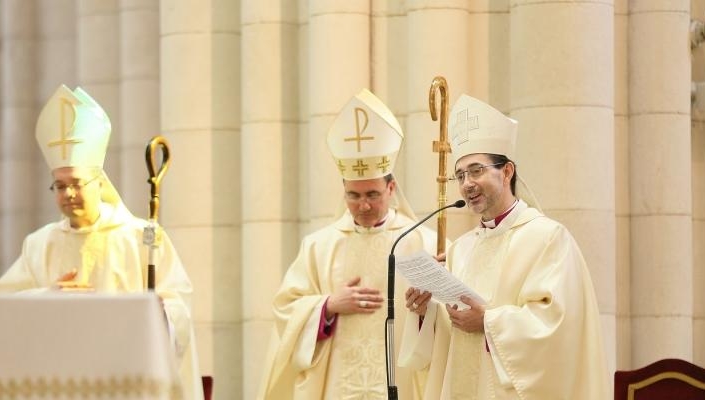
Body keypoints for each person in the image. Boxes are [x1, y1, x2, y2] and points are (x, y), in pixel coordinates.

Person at [0, 85, 202, 400]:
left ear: (99, 182)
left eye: (76, 183)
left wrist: (160, 313)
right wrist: (47, 297)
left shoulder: (140, 238)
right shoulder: (39, 245)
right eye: (59, 186)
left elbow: (178, 304)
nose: (68, 195)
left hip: (126, 382)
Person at [400, 94, 610, 399]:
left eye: (476, 170)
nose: (467, 184)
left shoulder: (548, 238)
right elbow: (447, 341)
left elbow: (557, 327)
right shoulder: (461, 248)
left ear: (507, 171)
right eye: (460, 176)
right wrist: (425, 313)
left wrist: (487, 321)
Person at [257, 89, 440, 399]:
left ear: (391, 188)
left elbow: (450, 318)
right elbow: (285, 309)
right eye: (353, 196)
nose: (363, 206)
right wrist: (328, 306)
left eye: (372, 195)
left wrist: (429, 307)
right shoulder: (319, 247)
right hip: (337, 384)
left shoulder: (423, 241)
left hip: (401, 382)